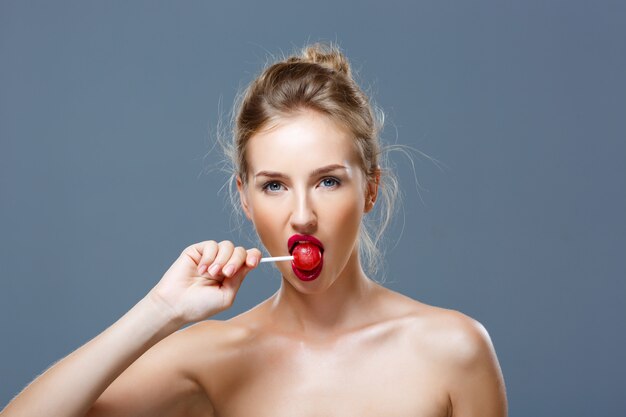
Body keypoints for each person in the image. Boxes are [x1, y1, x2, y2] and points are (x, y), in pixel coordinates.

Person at [1, 42, 507, 417]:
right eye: (274, 186)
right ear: (244, 197)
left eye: (328, 181)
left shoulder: (453, 349)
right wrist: (159, 311)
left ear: (370, 189)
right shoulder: (214, 358)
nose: (303, 215)